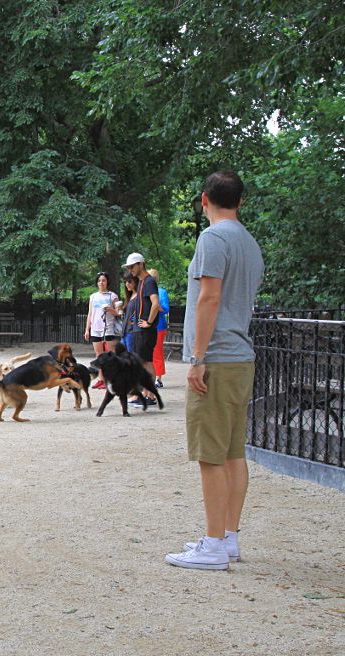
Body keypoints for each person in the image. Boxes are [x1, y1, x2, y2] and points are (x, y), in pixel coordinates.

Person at [165, 171, 264, 571]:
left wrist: (197, 357)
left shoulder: (213, 238)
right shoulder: (249, 243)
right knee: (233, 453)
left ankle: (212, 545)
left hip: (217, 359)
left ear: (204, 200)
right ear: (240, 201)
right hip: (240, 357)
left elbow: (209, 296)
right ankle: (228, 538)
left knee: (210, 454)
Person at [123, 252, 161, 404]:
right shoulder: (142, 283)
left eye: (132, 266)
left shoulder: (149, 281)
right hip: (139, 330)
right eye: (129, 267)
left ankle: (150, 395)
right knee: (143, 362)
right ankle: (146, 394)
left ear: (141, 264)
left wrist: (149, 322)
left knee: (146, 362)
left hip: (145, 330)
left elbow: (156, 304)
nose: (130, 269)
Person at [84, 272, 120, 388]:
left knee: (110, 355)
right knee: (99, 355)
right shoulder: (93, 296)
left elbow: (119, 312)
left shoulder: (112, 296)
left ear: (107, 282)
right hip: (95, 329)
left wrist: (110, 309)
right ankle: (101, 379)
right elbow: (90, 314)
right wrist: (87, 329)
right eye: (99, 280)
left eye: (103, 280)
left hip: (108, 328)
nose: (101, 282)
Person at [147, 268, 170, 388]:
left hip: (158, 326)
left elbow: (165, 309)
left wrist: (155, 306)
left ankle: (158, 377)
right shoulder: (144, 291)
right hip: (145, 326)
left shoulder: (162, 292)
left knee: (157, 352)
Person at [119, 275, 138, 354]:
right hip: (125, 331)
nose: (127, 284)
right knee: (123, 356)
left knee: (131, 356)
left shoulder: (138, 296)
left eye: (129, 282)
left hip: (132, 331)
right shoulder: (129, 296)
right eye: (126, 282)